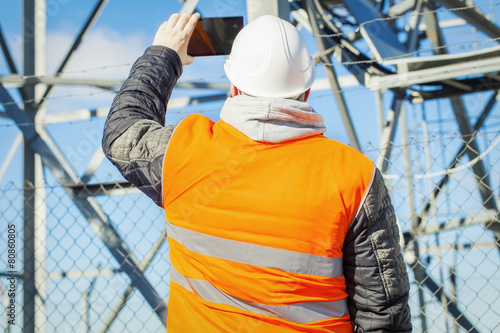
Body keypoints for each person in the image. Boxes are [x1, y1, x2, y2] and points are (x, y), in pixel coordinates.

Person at [102, 12, 411, 333]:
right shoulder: (355, 176)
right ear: (306, 90)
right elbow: (383, 312)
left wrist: (164, 55)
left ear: (234, 86)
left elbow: (123, 133)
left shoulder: (183, 151)